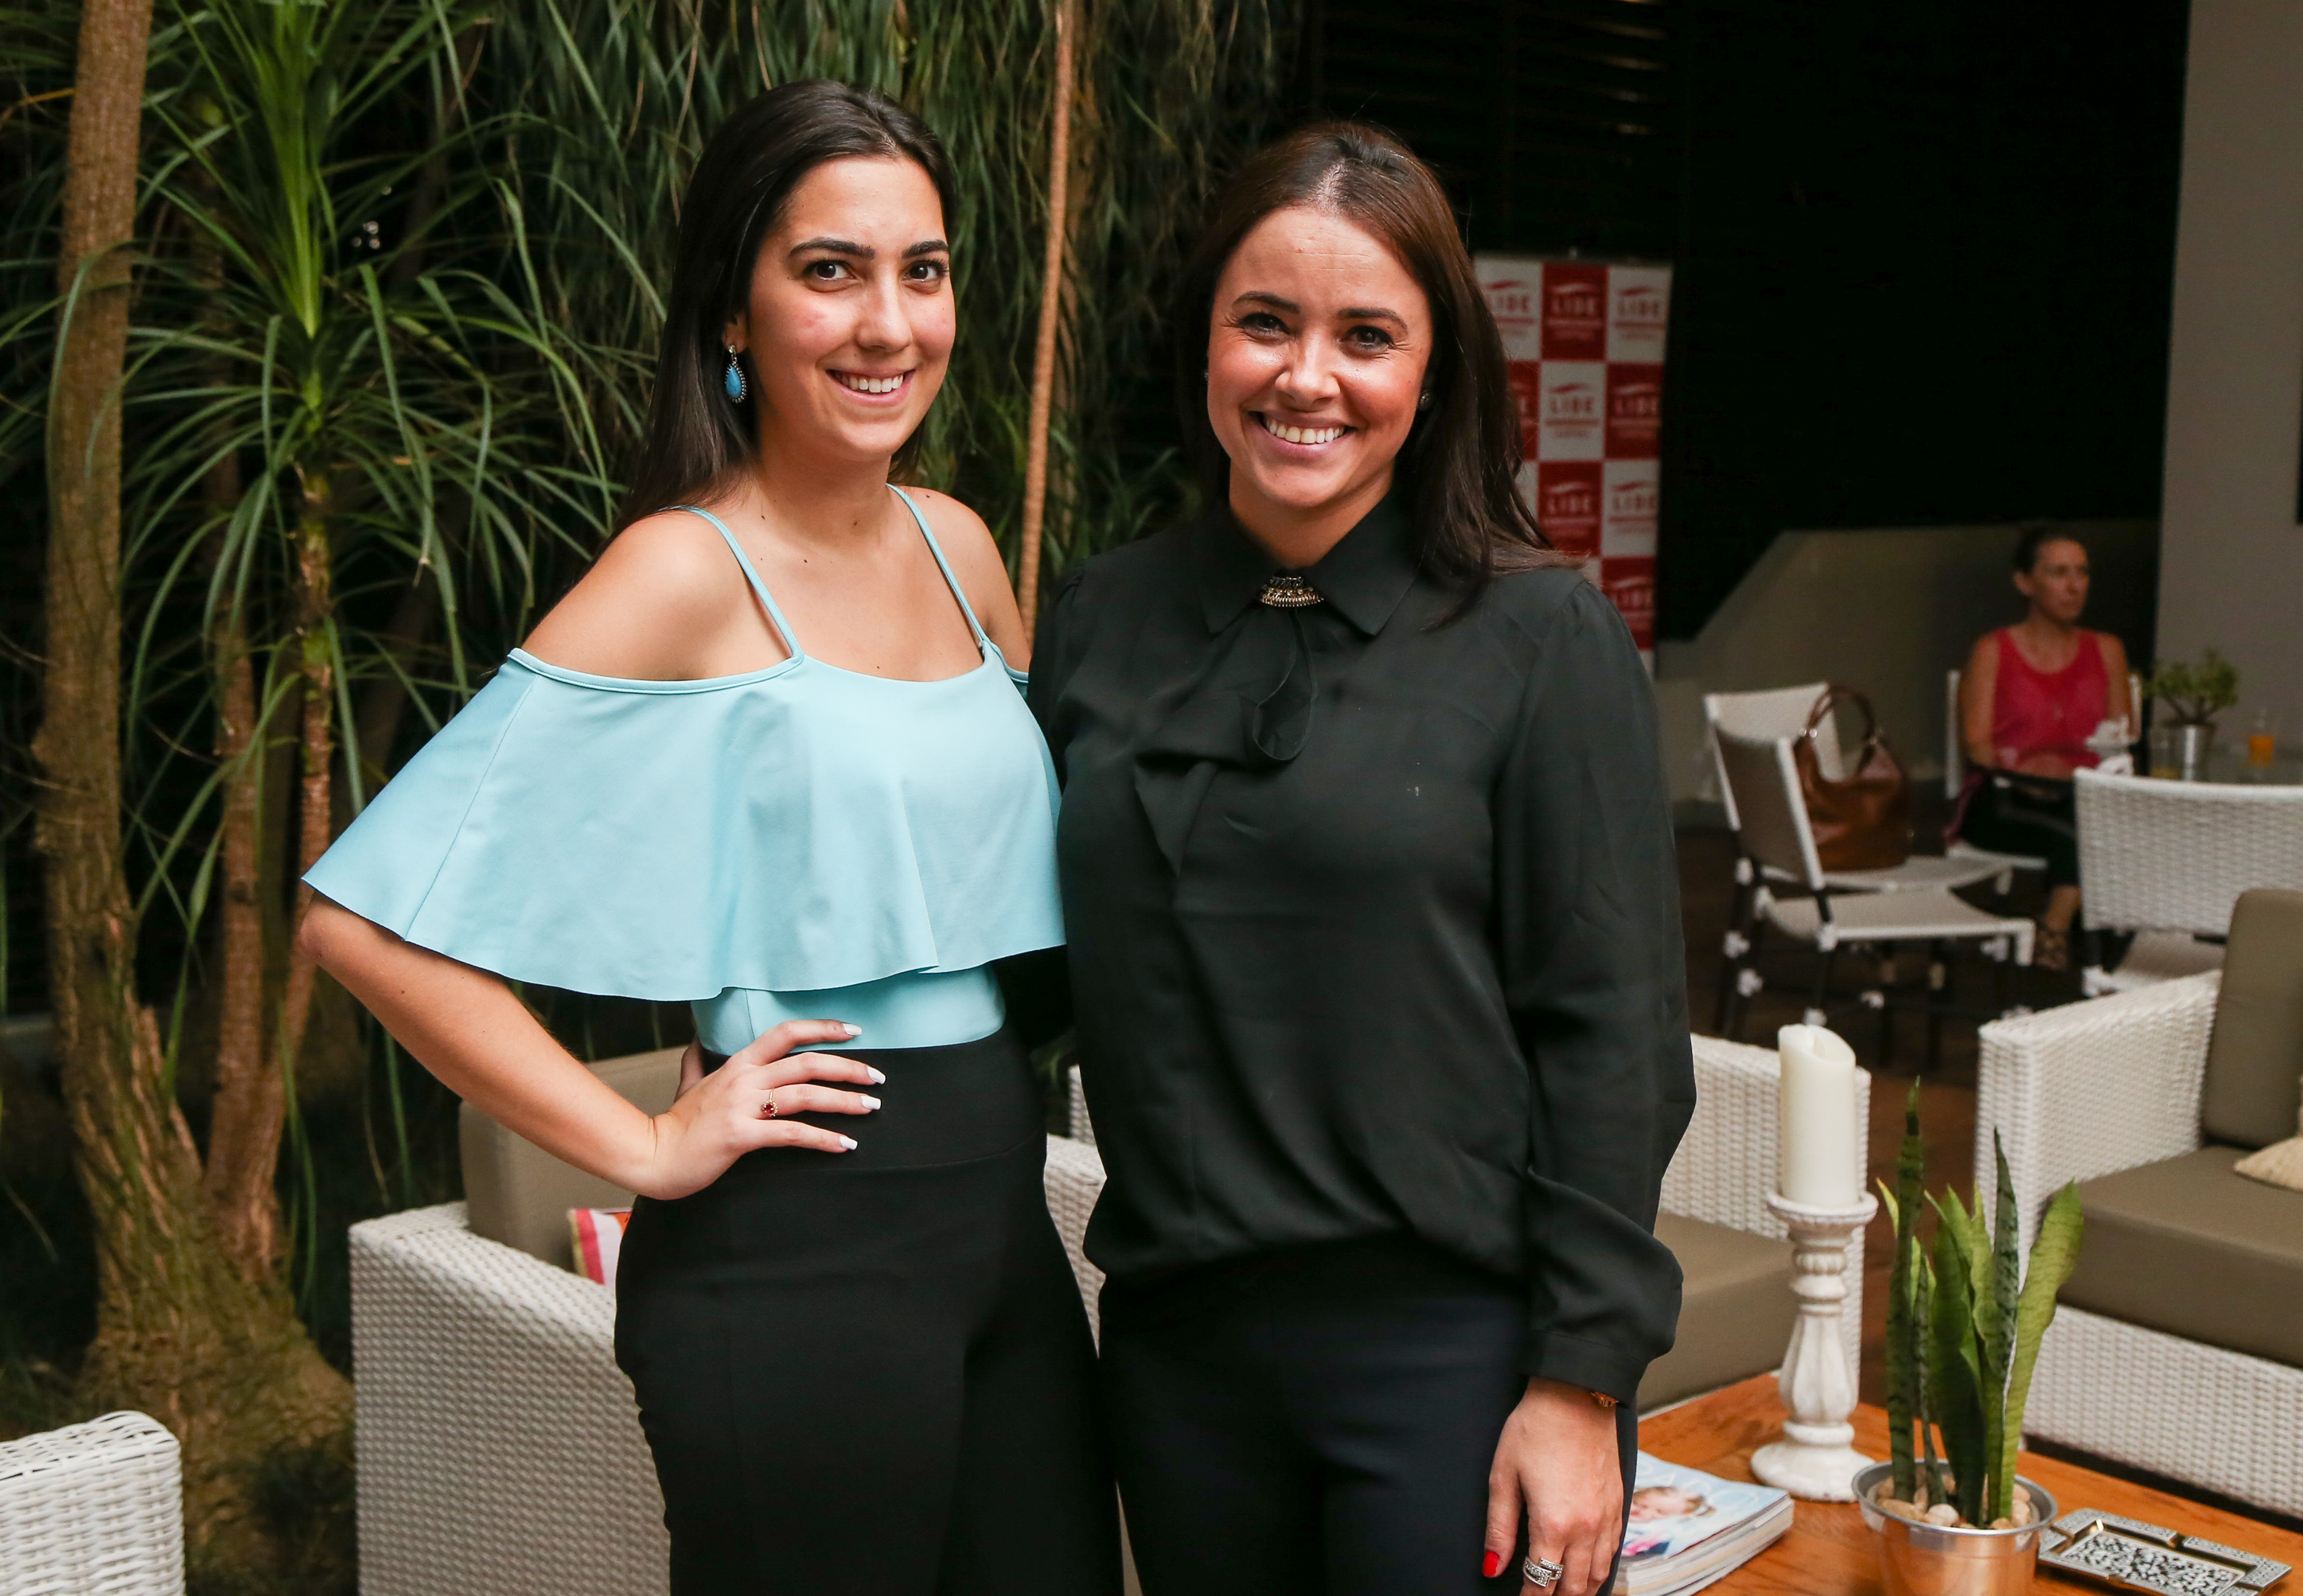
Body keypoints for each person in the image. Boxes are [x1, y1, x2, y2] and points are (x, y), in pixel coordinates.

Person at [300, 81, 1119, 1596]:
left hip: (1001, 1220)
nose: (887, 324)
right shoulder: (680, 570)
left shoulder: (958, 545)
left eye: (921, 271)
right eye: (830, 271)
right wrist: (642, 1143)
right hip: (796, 1246)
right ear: (733, 312)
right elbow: (359, 923)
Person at [1029, 123, 1693, 1596]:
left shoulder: (1539, 635)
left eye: (1365, 336)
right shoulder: (1099, 618)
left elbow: (1615, 1038)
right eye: (1264, 322)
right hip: (1175, 1350)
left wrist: (1580, 1381)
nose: (1305, 377)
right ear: (1205, 341)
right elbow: (1021, 961)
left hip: (1451, 1362)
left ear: (1434, 372)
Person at [1954, 527, 2132, 968]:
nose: (2074, 586)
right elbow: (1976, 745)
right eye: (2058, 573)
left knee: (2098, 822)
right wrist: (2029, 774)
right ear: (2025, 582)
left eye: (2081, 573)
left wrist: (2078, 772)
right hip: (2005, 798)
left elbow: (2121, 737)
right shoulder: (1993, 650)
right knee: (2083, 831)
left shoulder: (2106, 649)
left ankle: (2058, 927)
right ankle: (2058, 931)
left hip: (2084, 796)